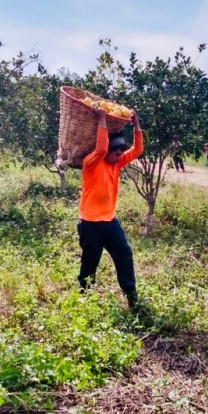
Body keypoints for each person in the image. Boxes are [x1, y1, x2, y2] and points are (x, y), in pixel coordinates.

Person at [77, 108, 144, 309]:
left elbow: (137, 150)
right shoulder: (92, 162)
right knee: (90, 262)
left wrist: (137, 125)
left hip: (110, 222)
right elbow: (100, 148)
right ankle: (84, 297)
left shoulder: (116, 164)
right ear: (107, 151)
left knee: (124, 253)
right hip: (89, 223)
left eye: (120, 152)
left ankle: (131, 295)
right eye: (115, 151)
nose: (118, 154)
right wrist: (102, 120)